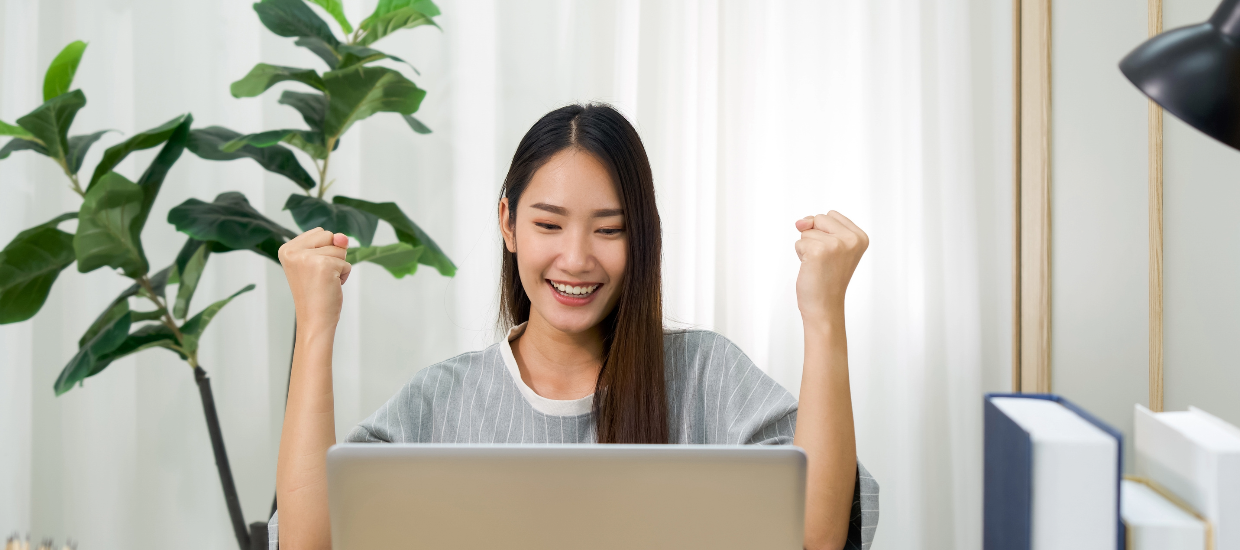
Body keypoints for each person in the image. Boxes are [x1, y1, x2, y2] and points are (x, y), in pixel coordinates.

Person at [271, 104, 879, 550]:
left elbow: (818, 535)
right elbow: (308, 543)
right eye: (549, 224)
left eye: (609, 229)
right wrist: (315, 325)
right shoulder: (441, 399)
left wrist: (824, 316)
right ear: (508, 224)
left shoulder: (705, 374)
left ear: (641, 238)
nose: (577, 258)